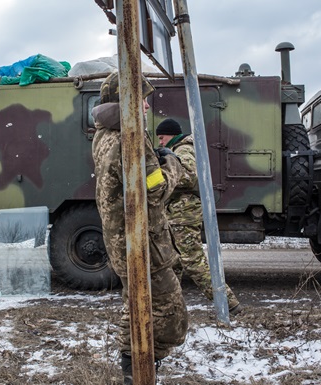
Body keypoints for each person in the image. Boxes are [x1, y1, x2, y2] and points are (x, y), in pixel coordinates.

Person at [91, 72, 188, 385]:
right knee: (172, 318)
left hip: (122, 242)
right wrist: (172, 163)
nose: (146, 105)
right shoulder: (129, 137)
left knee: (136, 307)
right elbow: (155, 189)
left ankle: (134, 369)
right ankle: (138, 370)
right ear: (125, 102)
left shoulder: (104, 134)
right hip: (143, 243)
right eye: (140, 98)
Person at [156, 118, 242, 314]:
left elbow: (189, 177)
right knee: (173, 262)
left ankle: (229, 304)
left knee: (192, 261)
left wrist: (164, 167)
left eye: (162, 138)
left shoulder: (183, 150)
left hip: (183, 214)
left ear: (171, 134)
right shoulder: (179, 149)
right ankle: (170, 308)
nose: (160, 142)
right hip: (178, 213)